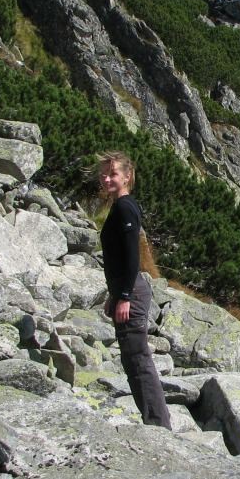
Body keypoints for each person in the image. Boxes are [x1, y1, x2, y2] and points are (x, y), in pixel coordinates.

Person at [96, 151, 172, 429]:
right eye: (104, 174)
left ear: (127, 176)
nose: (106, 178)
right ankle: (156, 420)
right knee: (133, 360)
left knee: (137, 359)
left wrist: (125, 296)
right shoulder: (122, 206)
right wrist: (114, 294)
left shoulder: (125, 207)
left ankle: (158, 426)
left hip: (133, 293)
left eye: (113, 173)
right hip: (127, 290)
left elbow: (131, 256)